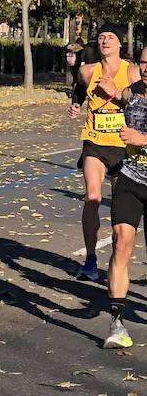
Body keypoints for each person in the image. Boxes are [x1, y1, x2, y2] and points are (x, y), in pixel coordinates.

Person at [68, 24, 138, 280]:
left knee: (120, 208)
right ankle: (90, 259)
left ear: (120, 43)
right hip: (94, 142)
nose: (105, 41)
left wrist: (117, 95)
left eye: (111, 37)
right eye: (101, 37)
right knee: (92, 197)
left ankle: (119, 260)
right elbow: (78, 89)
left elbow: (141, 101)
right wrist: (76, 105)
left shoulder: (131, 71)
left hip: (123, 146)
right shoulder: (88, 70)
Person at [101, 45, 147, 348]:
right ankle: (117, 324)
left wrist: (142, 139)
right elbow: (118, 100)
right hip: (130, 179)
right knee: (121, 243)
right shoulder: (131, 93)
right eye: (144, 63)